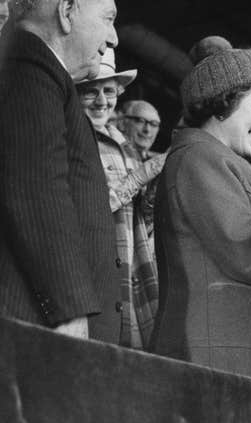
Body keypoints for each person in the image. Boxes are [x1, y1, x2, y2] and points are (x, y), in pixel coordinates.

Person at [151, 36, 251, 384]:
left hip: (230, 353)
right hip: (215, 356)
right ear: (222, 103)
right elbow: (248, 250)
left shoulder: (216, 159)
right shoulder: (201, 157)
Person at [0, 0, 121, 341]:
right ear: (67, 11)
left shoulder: (39, 70)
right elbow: (36, 189)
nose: (113, 38)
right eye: (108, 19)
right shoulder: (28, 62)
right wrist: (68, 308)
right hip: (41, 325)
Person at [75, 49, 163, 349]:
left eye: (109, 91)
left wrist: (152, 191)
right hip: (99, 266)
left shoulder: (121, 141)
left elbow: (140, 219)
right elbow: (90, 209)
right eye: (91, 92)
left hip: (132, 265)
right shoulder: (76, 137)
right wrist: (142, 175)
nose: (102, 101)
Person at [118, 99, 165, 245]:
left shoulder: (158, 161)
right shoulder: (112, 154)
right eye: (140, 121)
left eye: (154, 124)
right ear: (122, 121)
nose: (147, 130)